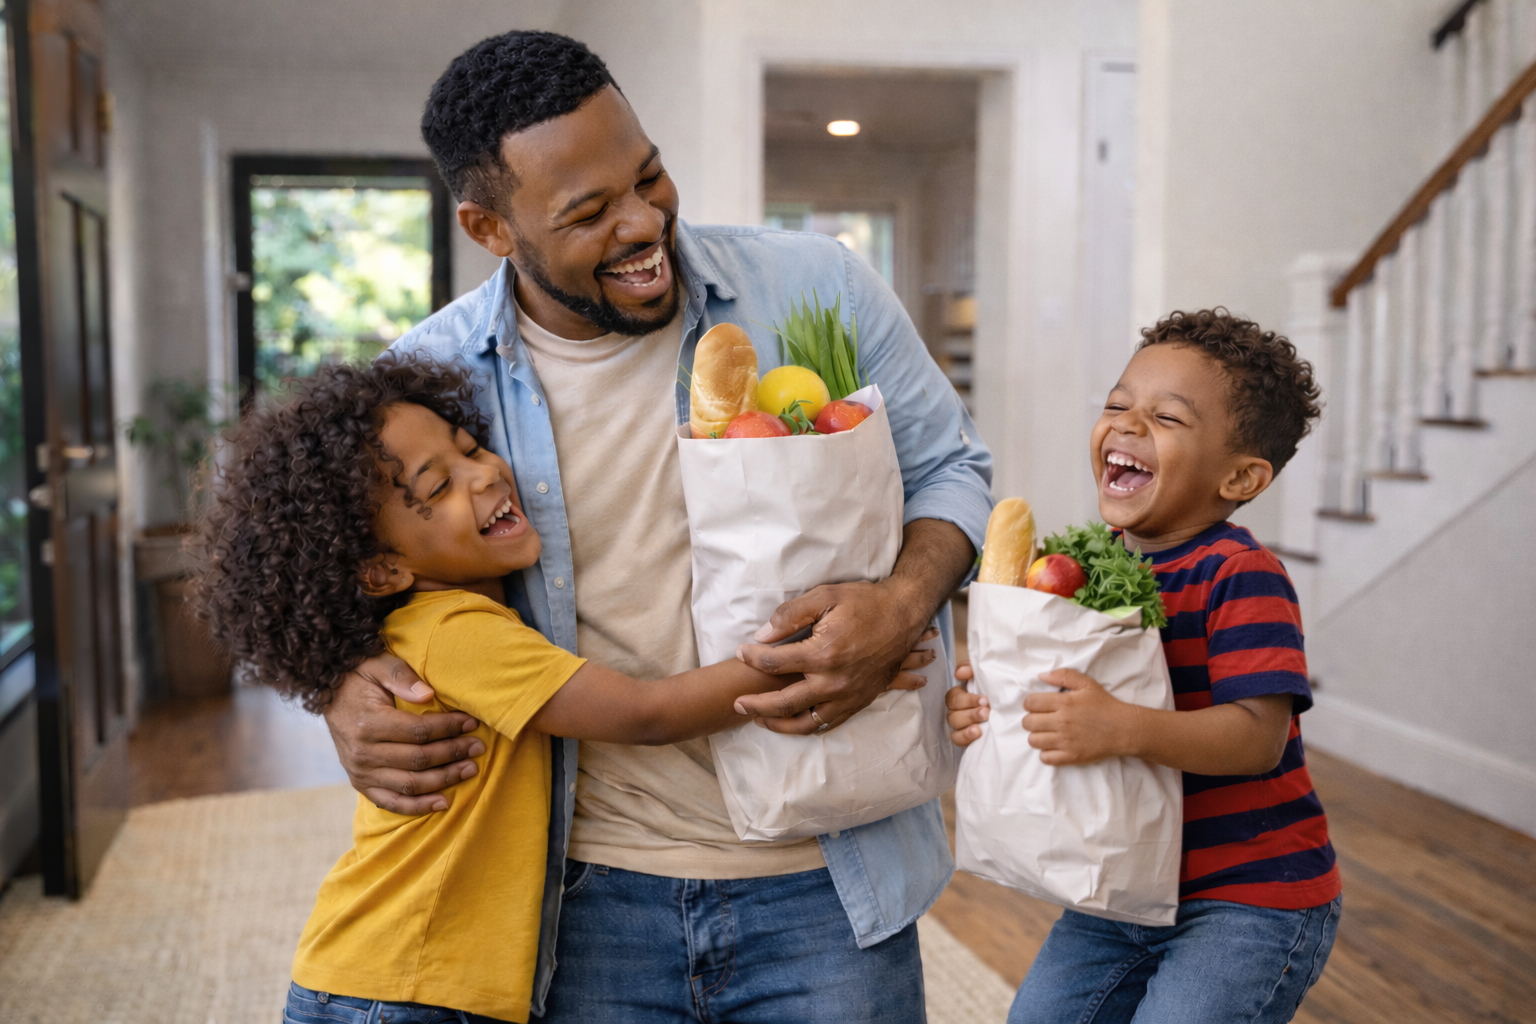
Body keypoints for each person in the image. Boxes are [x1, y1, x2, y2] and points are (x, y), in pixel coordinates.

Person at [317, 31, 993, 1022]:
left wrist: (899, 604)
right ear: (490, 226)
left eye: (649, 175)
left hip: (829, 878)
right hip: (582, 896)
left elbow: (952, 468)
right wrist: (340, 687)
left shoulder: (815, 284)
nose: (642, 224)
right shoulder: (429, 383)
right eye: (588, 212)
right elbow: (337, 572)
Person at [192, 358, 936, 1024]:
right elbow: (645, 714)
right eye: (439, 486)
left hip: (423, 983)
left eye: (470, 447)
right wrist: (816, 655)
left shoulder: (461, 620)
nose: (482, 473)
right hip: (398, 990)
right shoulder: (455, 634)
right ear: (381, 571)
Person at [946, 309, 1342, 1024]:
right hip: (1123, 880)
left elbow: (1258, 739)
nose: (1127, 425)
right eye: (1117, 405)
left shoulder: (1241, 574)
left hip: (1246, 898)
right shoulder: (1091, 567)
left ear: (1241, 477)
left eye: (1166, 417)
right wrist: (995, 699)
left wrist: (1120, 726)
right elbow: (1069, 698)